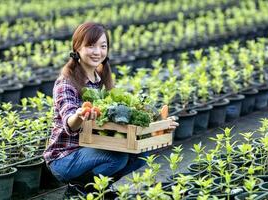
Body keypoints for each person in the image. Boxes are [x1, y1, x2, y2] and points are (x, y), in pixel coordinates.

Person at [43, 22, 179, 199]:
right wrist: (79, 115)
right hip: (64, 157)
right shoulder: (66, 82)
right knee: (118, 158)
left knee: (141, 151)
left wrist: (159, 124)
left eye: (103, 46)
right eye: (91, 46)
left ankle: (98, 188)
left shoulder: (100, 79)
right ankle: (81, 187)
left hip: (92, 146)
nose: (97, 52)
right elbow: (70, 122)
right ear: (77, 47)